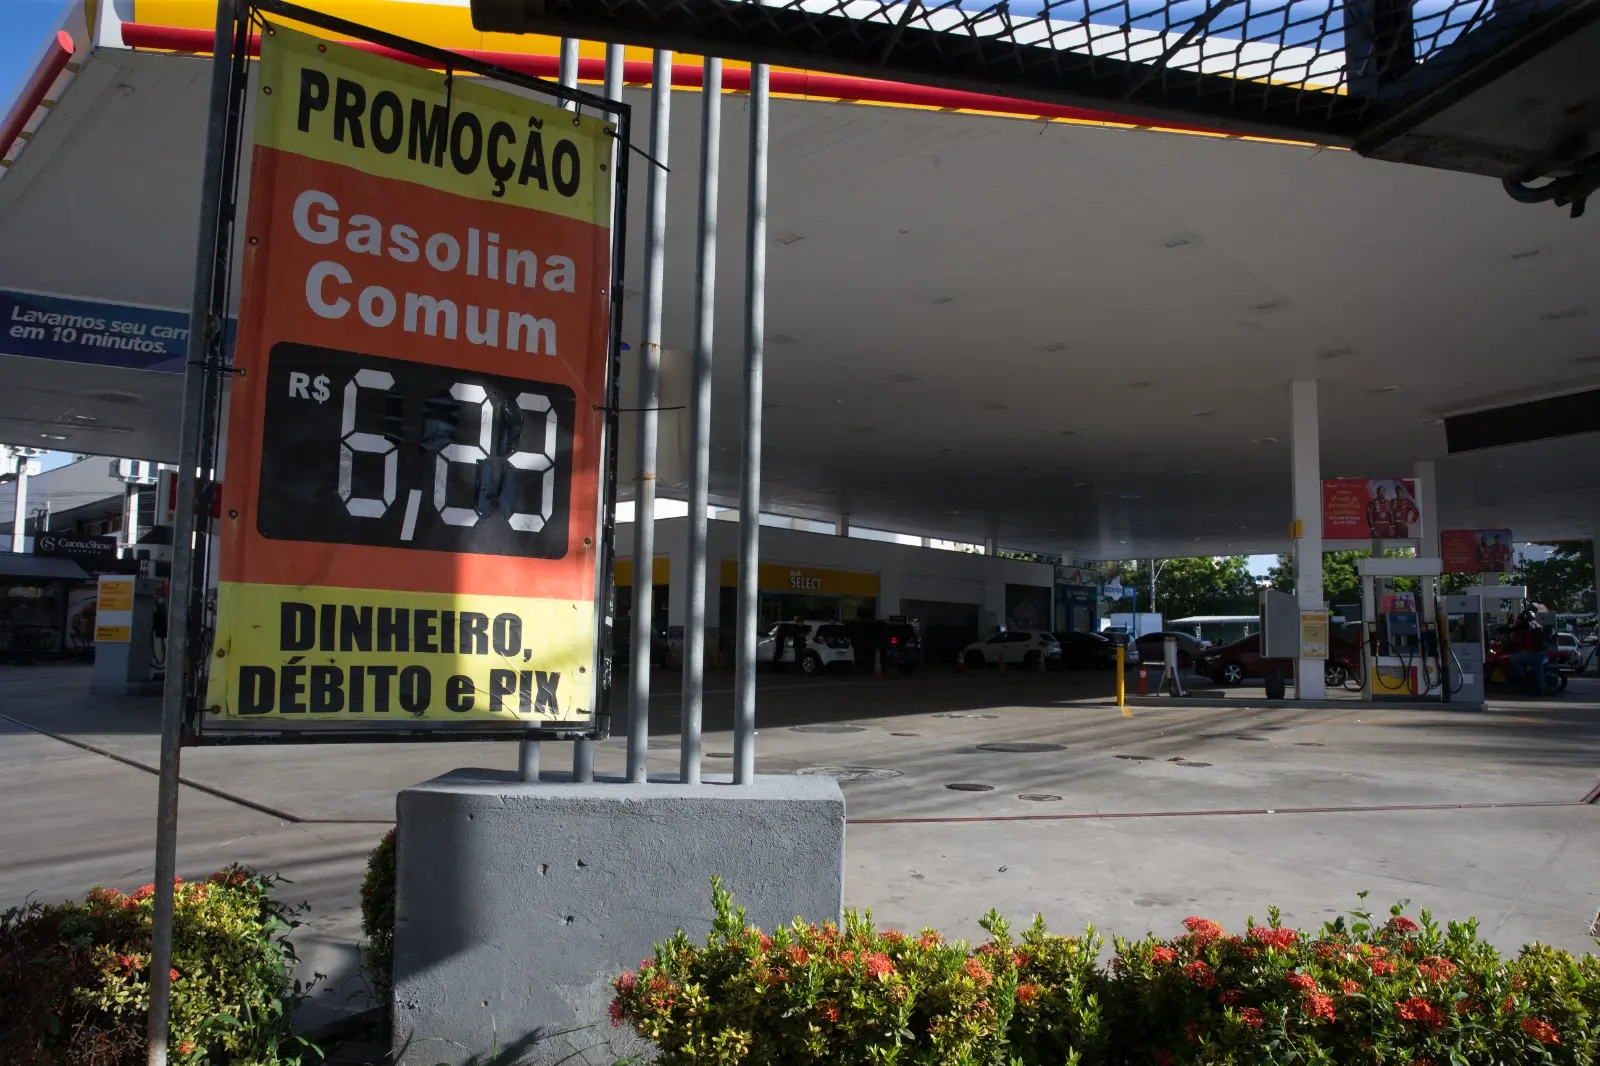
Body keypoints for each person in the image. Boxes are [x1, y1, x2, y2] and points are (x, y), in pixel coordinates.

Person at [1509, 608, 1547, 696]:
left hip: (1533, 653)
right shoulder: (1537, 625)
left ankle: (1523, 678)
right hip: (1538, 652)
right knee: (1538, 672)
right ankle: (1538, 688)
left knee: (1513, 659)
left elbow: (1519, 640)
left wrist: (1511, 644)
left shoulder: (1528, 627)